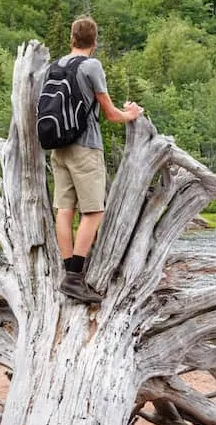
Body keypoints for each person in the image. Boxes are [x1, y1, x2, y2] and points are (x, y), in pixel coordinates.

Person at [49, 16, 144, 302]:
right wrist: (132, 114)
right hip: (85, 146)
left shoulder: (55, 66)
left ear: (71, 38)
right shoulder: (92, 66)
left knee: (64, 211)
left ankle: (69, 272)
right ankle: (74, 278)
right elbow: (111, 113)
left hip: (58, 147)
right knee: (93, 212)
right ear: (95, 41)